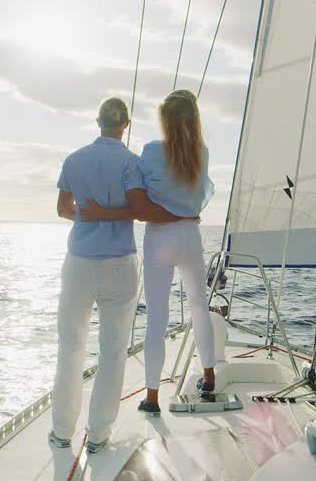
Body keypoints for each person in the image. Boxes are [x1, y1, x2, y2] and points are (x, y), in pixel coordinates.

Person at [50, 97, 187, 454]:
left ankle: (61, 432)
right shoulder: (132, 163)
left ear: (97, 122)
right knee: (112, 351)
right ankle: (98, 436)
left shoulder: (74, 160)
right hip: (119, 265)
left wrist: (88, 216)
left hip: (79, 263)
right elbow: (140, 211)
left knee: (70, 346)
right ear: (125, 124)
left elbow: (64, 209)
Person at [80, 89, 215, 416]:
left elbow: (138, 196)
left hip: (159, 238)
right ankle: (210, 377)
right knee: (199, 306)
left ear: (165, 120)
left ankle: (152, 397)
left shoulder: (152, 151)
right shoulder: (202, 152)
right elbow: (199, 196)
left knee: (157, 316)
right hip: (190, 234)